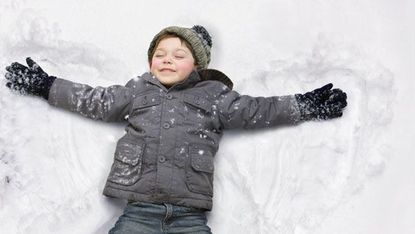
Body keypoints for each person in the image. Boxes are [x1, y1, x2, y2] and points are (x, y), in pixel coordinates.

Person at [3, 25, 347, 234]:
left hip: (189, 216)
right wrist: (47, 85)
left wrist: (303, 106)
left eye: (178, 55)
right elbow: (96, 100)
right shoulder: (138, 91)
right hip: (139, 209)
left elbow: (258, 110)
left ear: (197, 66)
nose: (167, 59)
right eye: (160, 54)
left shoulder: (215, 97)